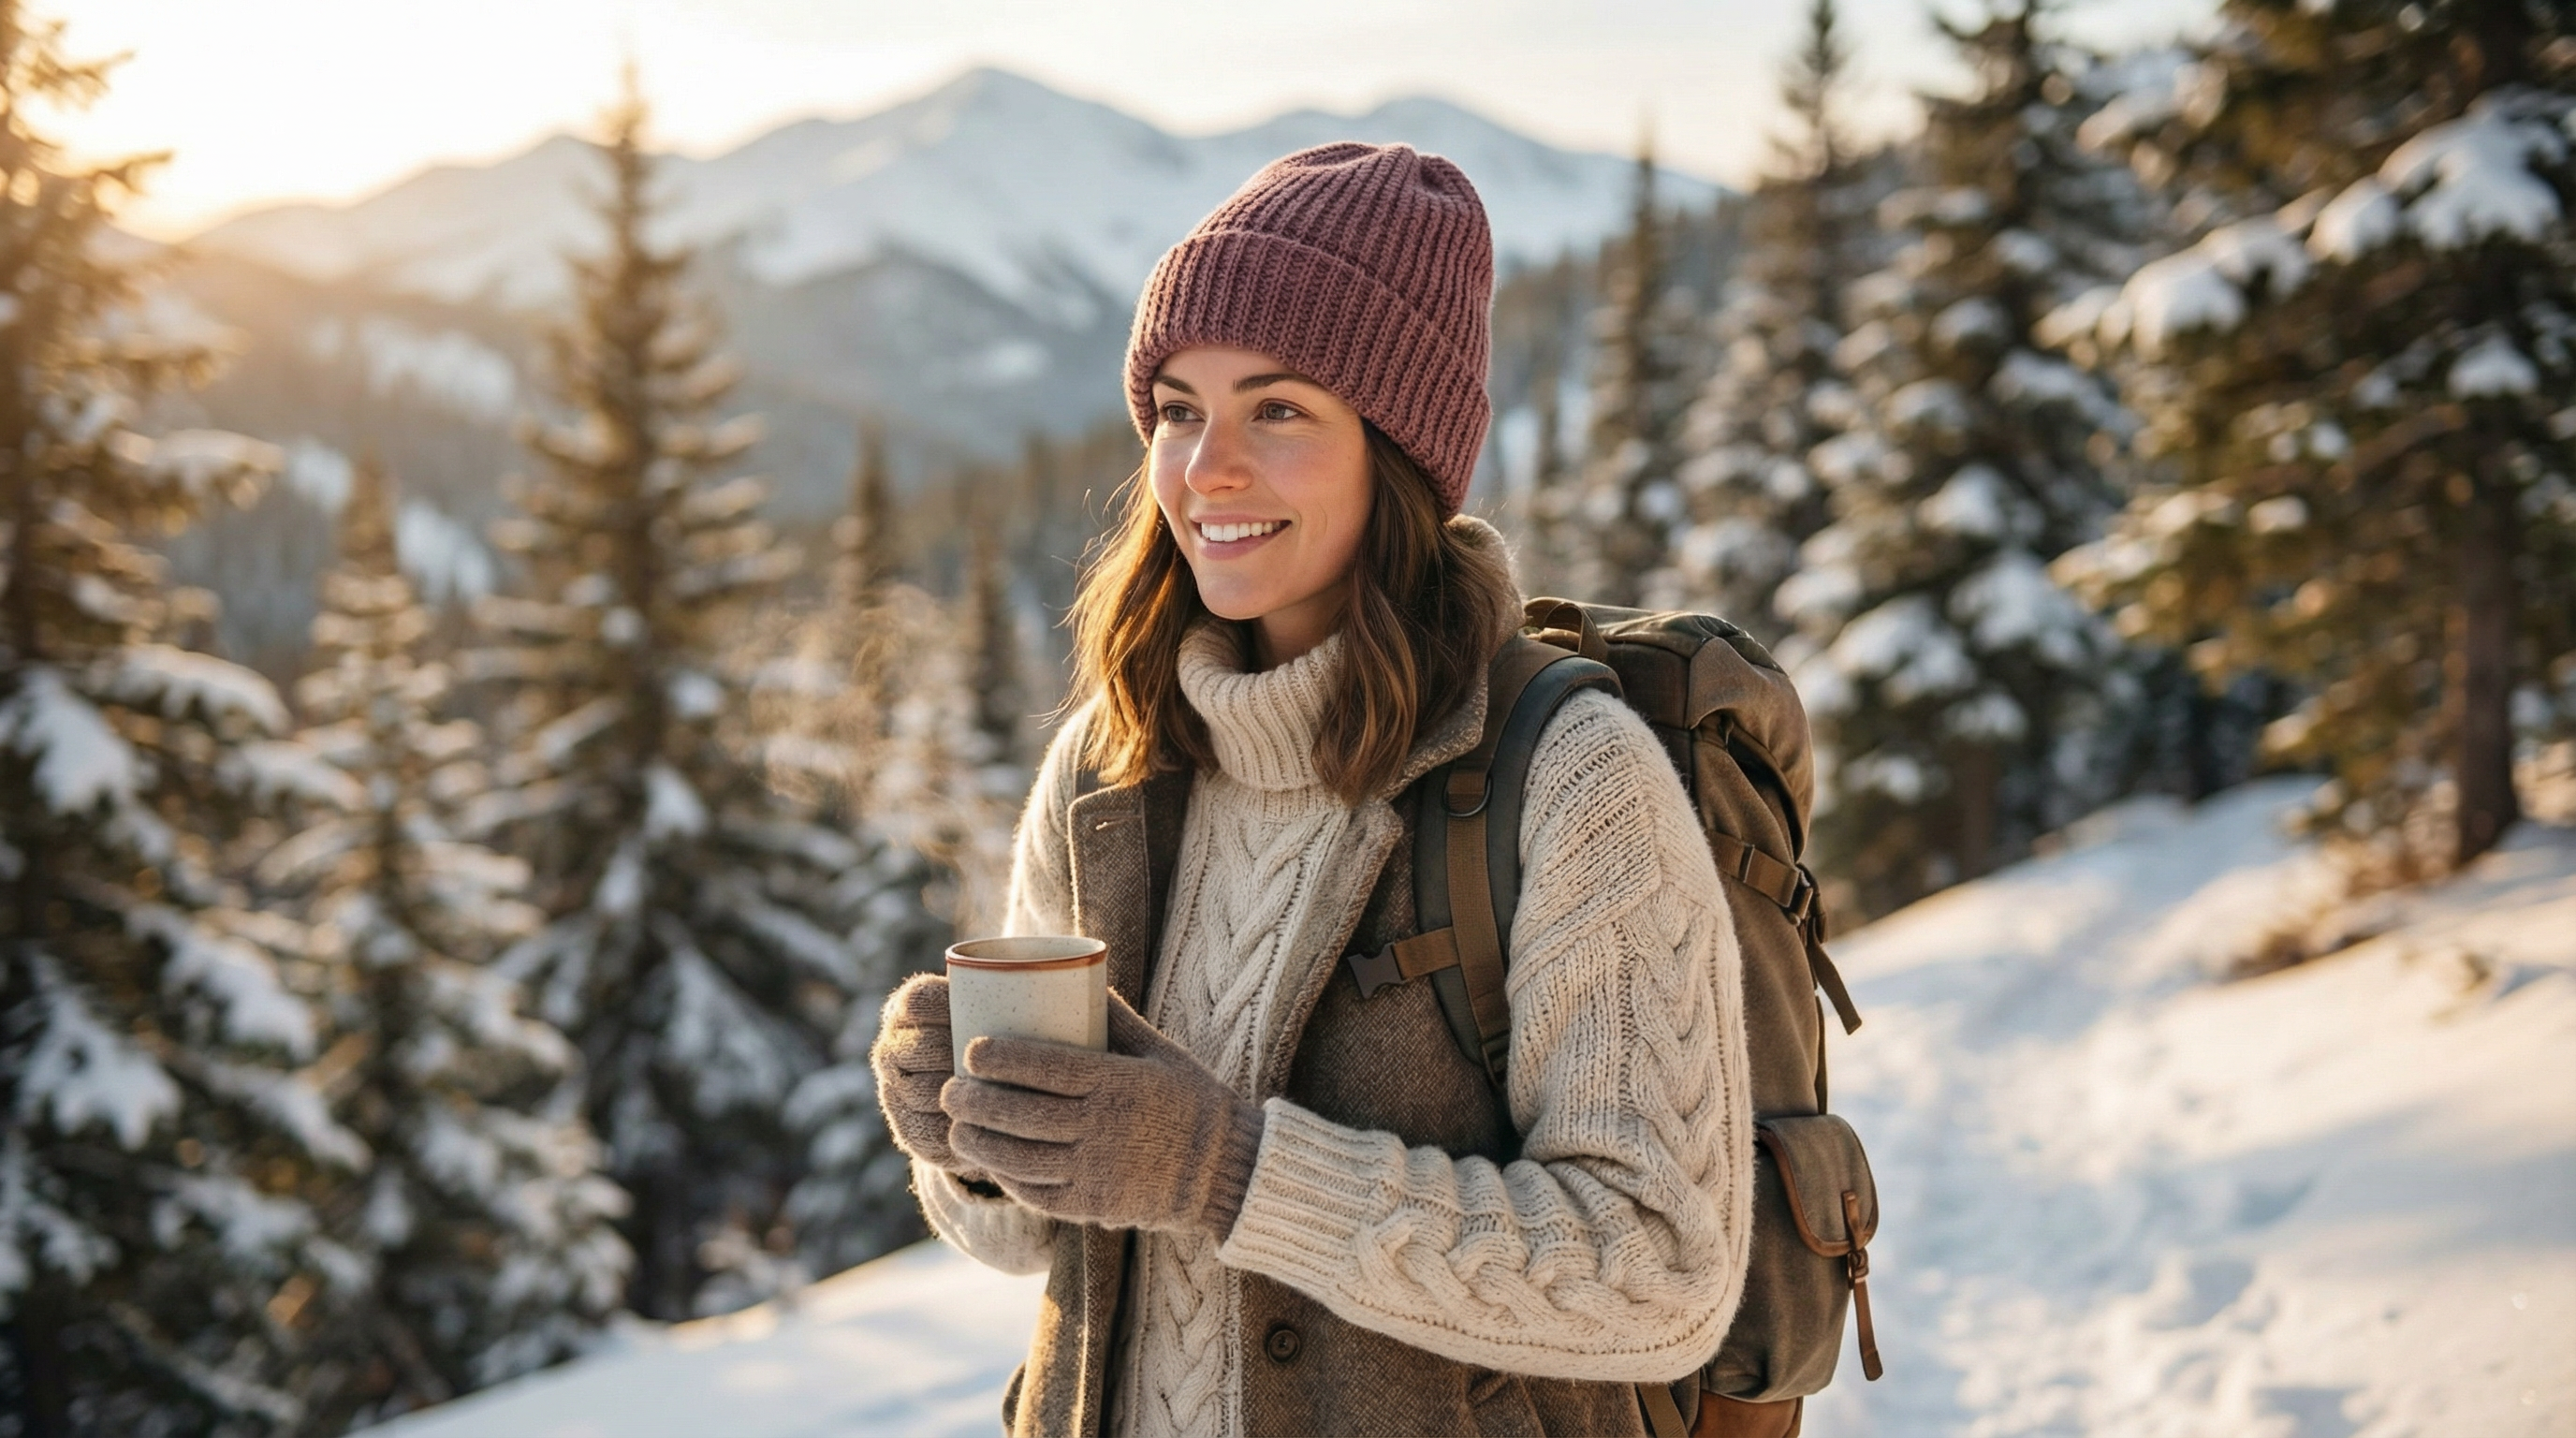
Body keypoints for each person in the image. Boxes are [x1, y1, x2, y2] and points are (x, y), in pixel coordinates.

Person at [871, 142, 1754, 1438]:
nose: (1206, 468)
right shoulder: (1105, 769)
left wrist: (1226, 1171)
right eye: (1177, 408)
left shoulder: (1568, 778)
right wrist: (969, 1136)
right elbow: (1032, 1245)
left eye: (1277, 410)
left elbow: (1659, 1270)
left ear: (1393, 448)